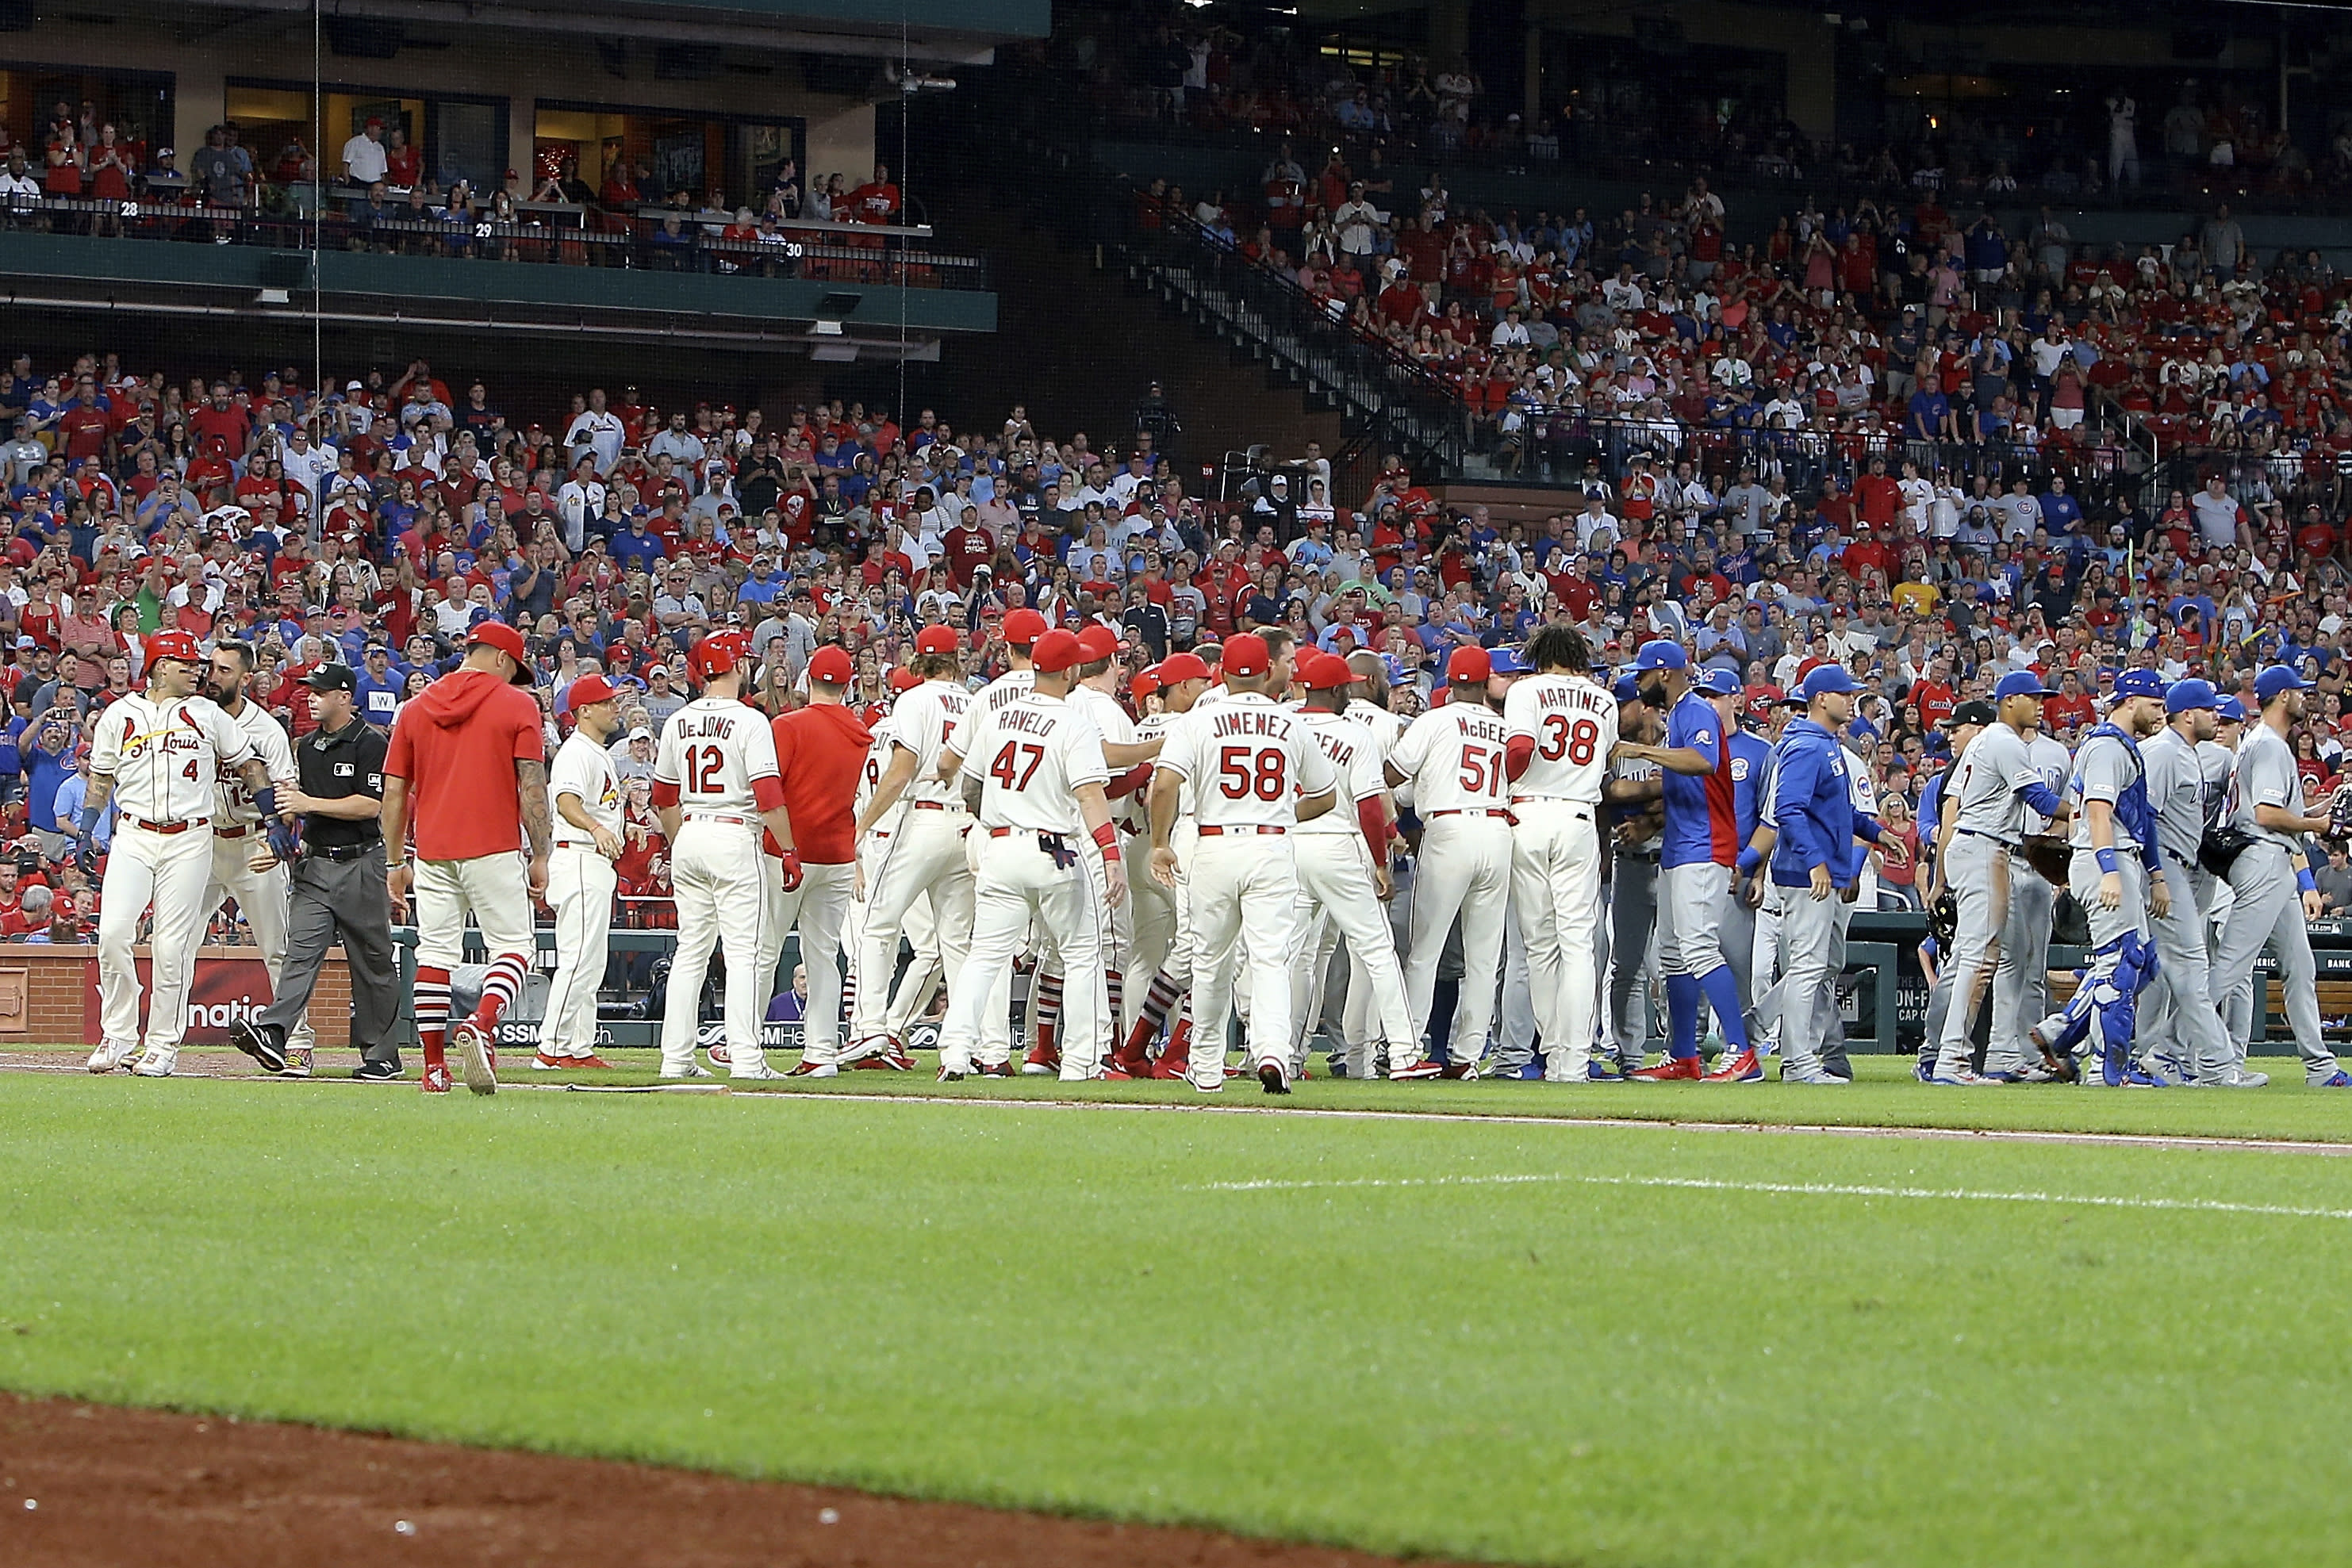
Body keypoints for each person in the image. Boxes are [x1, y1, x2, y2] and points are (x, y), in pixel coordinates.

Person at [938, 630, 1127, 1081]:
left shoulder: (1000, 715)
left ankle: (956, 1053)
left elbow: (970, 784)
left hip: (1001, 846)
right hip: (1053, 849)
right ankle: (1081, 1062)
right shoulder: (1072, 722)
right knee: (1082, 954)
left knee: (984, 956)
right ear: (1070, 672)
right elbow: (1089, 795)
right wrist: (1109, 852)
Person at [1150, 631, 1335, 1094]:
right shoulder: (1291, 724)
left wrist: (1159, 841)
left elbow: (1165, 784)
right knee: (1272, 958)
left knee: (1212, 960)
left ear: (1222, 673)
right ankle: (1272, 1049)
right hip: (1270, 845)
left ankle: (1207, 1064)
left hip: (1214, 844)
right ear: (1269, 671)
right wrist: (1279, 817)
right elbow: (1325, 794)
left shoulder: (1198, 721)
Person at [83, 630, 274, 1078]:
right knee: (112, 934)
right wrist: (86, 829)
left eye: (196, 662)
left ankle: (163, 1044)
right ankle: (118, 1033)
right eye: (184, 663)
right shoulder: (118, 713)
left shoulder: (206, 713)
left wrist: (270, 817)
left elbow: (249, 764)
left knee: (170, 945)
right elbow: (101, 778)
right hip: (133, 833)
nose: (196, 670)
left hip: (190, 837)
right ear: (158, 666)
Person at [381, 619, 551, 1096]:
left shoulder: (414, 708)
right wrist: (541, 853)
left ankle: (434, 1067)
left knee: (435, 953)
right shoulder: (518, 704)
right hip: (494, 844)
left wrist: (395, 862)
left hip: (433, 849)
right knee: (515, 946)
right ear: (501, 657)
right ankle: (484, 1019)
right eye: (513, 668)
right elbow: (532, 785)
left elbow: (395, 794)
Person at [228, 663, 399, 1082]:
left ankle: (382, 1054)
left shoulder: (370, 742)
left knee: (372, 962)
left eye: (320, 692)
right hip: (315, 863)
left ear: (344, 696)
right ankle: (273, 1030)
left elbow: (371, 806)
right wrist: (281, 846)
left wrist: (308, 804)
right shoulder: (305, 746)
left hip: (361, 861)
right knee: (298, 954)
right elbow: (299, 810)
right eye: (309, 691)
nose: (311, 697)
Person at [650, 631, 796, 1080]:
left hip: (691, 830)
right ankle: (748, 1059)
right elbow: (769, 795)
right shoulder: (750, 721)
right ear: (736, 666)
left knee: (690, 951)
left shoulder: (678, 720)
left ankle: (675, 1058)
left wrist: (680, 844)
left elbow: (663, 795)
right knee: (744, 954)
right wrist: (789, 849)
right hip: (734, 833)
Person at [1617, 638, 1759, 1079]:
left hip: (1705, 845)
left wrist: (1643, 751)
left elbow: (1703, 761)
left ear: (1664, 673)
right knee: (1675, 954)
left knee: (1698, 946)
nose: (1638, 683)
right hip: (1681, 845)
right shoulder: (1678, 715)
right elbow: (1683, 785)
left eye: (1642, 674)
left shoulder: (1695, 708)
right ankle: (1684, 1055)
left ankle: (1741, 1050)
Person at [2204, 666, 2351, 1087]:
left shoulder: (2263, 744)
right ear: (2282, 696)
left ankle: (2320, 1067)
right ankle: (2184, 1053)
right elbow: (2267, 816)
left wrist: (2318, 814)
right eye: (2300, 692)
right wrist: (2319, 828)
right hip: (2262, 860)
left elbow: (2276, 814)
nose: (2307, 698)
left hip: (2274, 860)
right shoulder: (2268, 746)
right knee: (2231, 966)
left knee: (2300, 965)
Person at [2028, 669, 2174, 1087]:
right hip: (2103, 858)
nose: (2160, 714)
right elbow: (2097, 811)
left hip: (2118, 857)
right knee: (2122, 961)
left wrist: (2155, 875)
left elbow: (2139, 819)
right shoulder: (2107, 746)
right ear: (2130, 702)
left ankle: (2063, 1032)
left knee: (2143, 960)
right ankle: (2110, 1071)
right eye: (2155, 705)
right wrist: (2110, 869)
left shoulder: (2122, 747)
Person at [1923, 672, 2069, 1085]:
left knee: (1981, 958)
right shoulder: (2004, 740)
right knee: (1978, 960)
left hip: (1979, 846)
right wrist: (2089, 813)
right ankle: (1951, 1059)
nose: (2041, 704)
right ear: (2009, 701)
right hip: (1984, 847)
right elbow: (2038, 799)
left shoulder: (1988, 741)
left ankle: (1976, 1057)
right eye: (2033, 697)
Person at [849, 626, 976, 1067]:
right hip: (964, 822)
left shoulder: (914, 699)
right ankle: (961, 1047)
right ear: (956, 659)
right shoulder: (973, 700)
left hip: (920, 817)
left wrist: (862, 824)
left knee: (878, 927)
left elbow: (901, 771)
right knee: (956, 943)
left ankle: (870, 1030)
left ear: (920, 662)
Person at [1283, 651, 1413, 1083]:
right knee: (1378, 951)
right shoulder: (1354, 734)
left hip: (1288, 846)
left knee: (1296, 958)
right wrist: (1380, 863)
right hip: (1339, 845)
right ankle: (1404, 1053)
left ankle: (1286, 1055)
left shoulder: (1282, 724)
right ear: (1338, 690)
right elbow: (1370, 808)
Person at [1385, 645, 1514, 1079]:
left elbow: (1392, 775)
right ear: (1484, 683)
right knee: (1483, 955)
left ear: (1452, 681)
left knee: (1425, 950)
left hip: (1449, 829)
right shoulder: (1503, 725)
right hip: (1497, 830)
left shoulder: (1435, 719)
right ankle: (1468, 1055)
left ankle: (1408, 1048)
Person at [1756, 665, 1882, 1083]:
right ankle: (1797, 1062)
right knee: (1809, 966)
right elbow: (1788, 809)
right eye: (1844, 694)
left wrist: (1877, 833)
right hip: (1805, 874)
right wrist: (1815, 861)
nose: (1851, 700)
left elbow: (1837, 811)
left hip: (1817, 869)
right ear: (1821, 699)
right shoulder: (1806, 746)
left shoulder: (1823, 743)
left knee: (1820, 963)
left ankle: (1754, 1026)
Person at [1501, 624, 1614, 1081]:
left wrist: (1503, 785)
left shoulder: (1525, 691)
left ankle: (1552, 1052)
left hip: (1527, 815)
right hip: (1578, 817)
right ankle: (1575, 1056)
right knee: (1578, 944)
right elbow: (1604, 759)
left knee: (1538, 945)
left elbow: (1522, 747)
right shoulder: (1602, 699)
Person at [765, 644, 869, 1076]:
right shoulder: (862, 731)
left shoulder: (787, 725)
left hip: (788, 851)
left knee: (764, 949)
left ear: (808, 680)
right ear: (848, 685)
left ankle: (745, 1045)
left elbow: (770, 790)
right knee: (824, 954)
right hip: (838, 852)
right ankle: (821, 1052)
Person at [201, 640, 306, 1069]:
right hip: (203, 842)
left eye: (224, 670)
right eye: (212, 668)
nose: (213, 677)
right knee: (175, 943)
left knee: (277, 948)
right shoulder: (194, 720)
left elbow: (288, 791)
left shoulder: (266, 730)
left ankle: (296, 1041)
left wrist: (276, 838)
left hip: (253, 842)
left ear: (246, 679)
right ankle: (159, 1041)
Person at [2135, 679, 2240, 1087]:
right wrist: (2157, 876)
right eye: (2210, 709)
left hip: (2178, 866)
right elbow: (2146, 819)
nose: (2218, 716)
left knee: (2158, 969)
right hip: (2164, 868)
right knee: (2193, 966)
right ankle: (2216, 1066)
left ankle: (2154, 1056)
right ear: (2188, 714)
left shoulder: (2186, 752)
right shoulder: (2163, 751)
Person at [542, 673, 625, 1071]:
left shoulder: (597, 751)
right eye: (607, 702)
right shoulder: (576, 751)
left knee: (592, 961)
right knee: (577, 958)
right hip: (577, 857)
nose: (615, 707)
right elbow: (565, 802)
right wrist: (596, 828)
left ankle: (578, 1046)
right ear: (584, 711)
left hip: (594, 860)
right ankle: (551, 1047)